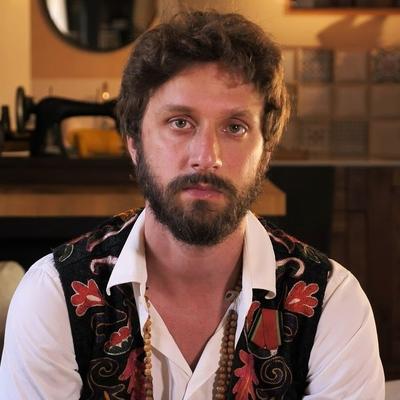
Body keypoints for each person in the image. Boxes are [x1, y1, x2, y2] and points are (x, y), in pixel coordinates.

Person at [0, 10, 384, 400]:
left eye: (234, 127)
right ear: (134, 142)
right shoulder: (52, 296)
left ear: (266, 151)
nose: (206, 157)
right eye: (180, 122)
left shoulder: (333, 303)